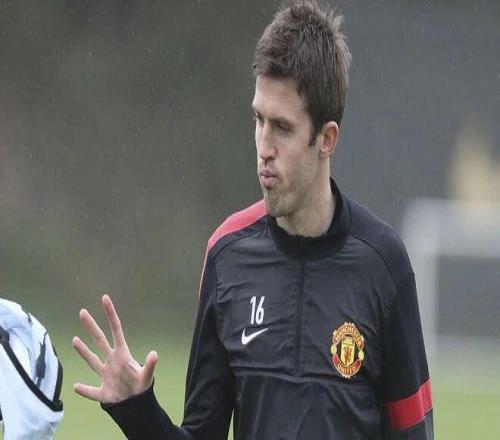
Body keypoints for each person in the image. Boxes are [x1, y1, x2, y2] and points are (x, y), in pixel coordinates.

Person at [73, 1, 433, 438]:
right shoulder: (227, 254)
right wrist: (138, 411)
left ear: (326, 139)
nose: (264, 146)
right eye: (259, 120)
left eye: (282, 127)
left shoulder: (383, 264)